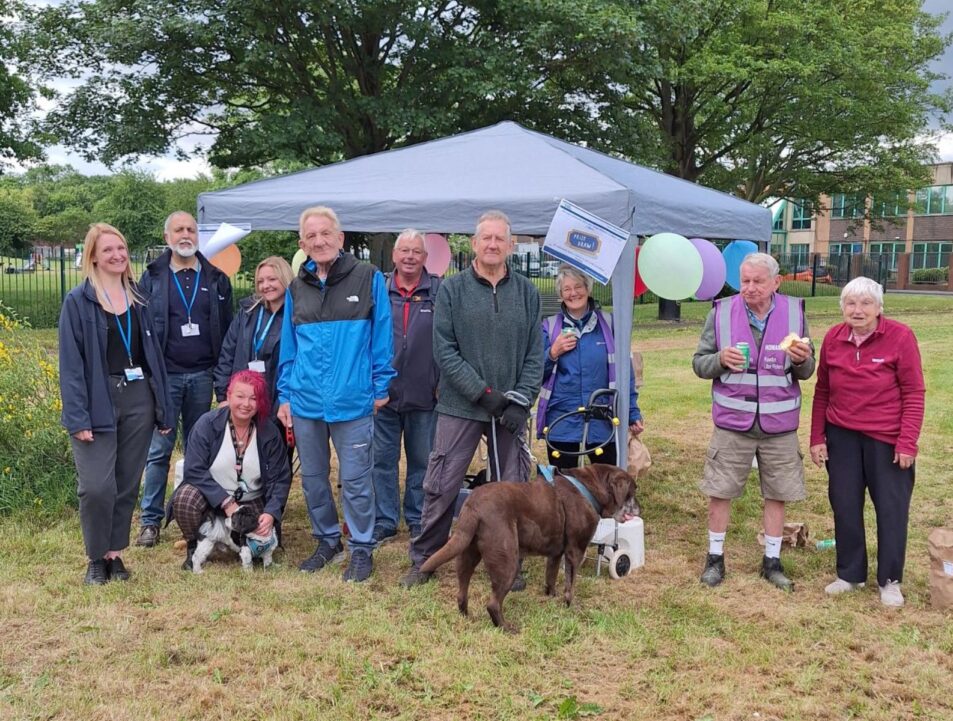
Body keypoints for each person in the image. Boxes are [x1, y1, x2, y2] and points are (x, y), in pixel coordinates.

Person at [401, 210, 543, 588]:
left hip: (511, 410)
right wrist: (483, 394)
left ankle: (510, 561)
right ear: (474, 244)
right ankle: (425, 559)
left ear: (511, 246)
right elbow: (445, 352)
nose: (493, 244)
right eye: (486, 238)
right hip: (460, 405)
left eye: (500, 239)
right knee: (441, 484)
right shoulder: (452, 290)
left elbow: (535, 353)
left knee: (513, 489)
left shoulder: (527, 293)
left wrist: (520, 401)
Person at [277, 206, 395, 583]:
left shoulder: (368, 278)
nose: (319, 241)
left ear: (340, 238)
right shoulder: (297, 288)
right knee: (312, 477)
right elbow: (289, 347)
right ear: (302, 244)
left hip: (353, 400)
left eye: (325, 233)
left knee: (358, 480)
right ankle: (327, 540)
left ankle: (361, 547)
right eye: (311, 236)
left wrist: (380, 387)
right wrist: (285, 395)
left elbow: (382, 337)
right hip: (306, 400)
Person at [692, 252, 814, 591]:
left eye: (758, 281)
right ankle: (714, 559)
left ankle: (772, 562)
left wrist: (803, 361)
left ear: (776, 282)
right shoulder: (720, 312)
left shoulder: (794, 312)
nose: (749, 288)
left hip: (780, 426)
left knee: (777, 493)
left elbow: (807, 369)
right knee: (720, 490)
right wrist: (719, 360)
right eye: (745, 280)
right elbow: (699, 363)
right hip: (733, 421)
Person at [58, 223, 172, 585]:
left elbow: (153, 356)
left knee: (125, 482)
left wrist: (163, 408)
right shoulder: (79, 302)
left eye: (121, 248)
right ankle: (95, 556)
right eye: (108, 250)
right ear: (93, 256)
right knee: (96, 486)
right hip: (98, 399)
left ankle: (114, 554)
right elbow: (71, 366)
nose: (118, 255)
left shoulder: (139, 298)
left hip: (138, 398)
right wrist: (78, 417)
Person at [810, 277, 924, 607]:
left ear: (878, 308)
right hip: (842, 435)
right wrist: (818, 437)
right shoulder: (833, 337)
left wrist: (907, 442)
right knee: (844, 504)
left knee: (891, 509)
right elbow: (822, 392)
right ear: (842, 307)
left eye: (865, 303)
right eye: (850, 303)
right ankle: (850, 574)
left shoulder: (900, 337)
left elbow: (914, 392)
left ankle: (890, 580)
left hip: (886, 438)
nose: (857, 310)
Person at [135, 211, 233, 547]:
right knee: (158, 450)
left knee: (199, 452)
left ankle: (194, 514)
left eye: (191, 229)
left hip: (204, 375)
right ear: (167, 237)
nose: (186, 234)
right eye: (179, 229)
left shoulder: (217, 278)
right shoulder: (151, 278)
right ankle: (150, 521)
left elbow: (228, 332)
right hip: (165, 379)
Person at [171, 370, 292, 570]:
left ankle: (243, 547)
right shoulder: (207, 425)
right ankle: (195, 545)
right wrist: (226, 502)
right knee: (185, 499)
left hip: (251, 501)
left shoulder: (269, 431)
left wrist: (270, 513)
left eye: (253, 398)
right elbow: (193, 470)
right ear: (228, 396)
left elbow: (281, 478)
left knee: (266, 536)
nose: (246, 404)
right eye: (240, 396)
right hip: (212, 500)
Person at [370, 229, 440, 545]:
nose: (410, 257)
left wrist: (442, 381)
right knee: (382, 461)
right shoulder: (378, 290)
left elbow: (450, 340)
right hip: (383, 396)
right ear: (395, 255)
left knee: (421, 462)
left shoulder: (439, 291)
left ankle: (415, 518)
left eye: (416, 252)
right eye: (404, 251)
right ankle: (385, 520)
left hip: (426, 395)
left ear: (425, 258)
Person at [538, 264, 644, 469]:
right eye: (567, 289)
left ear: (588, 289)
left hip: (602, 419)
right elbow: (535, 374)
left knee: (607, 485)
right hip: (562, 418)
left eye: (578, 286)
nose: (573, 293)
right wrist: (553, 352)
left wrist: (632, 412)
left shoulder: (610, 323)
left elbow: (626, 373)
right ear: (560, 294)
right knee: (564, 485)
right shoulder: (549, 327)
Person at [213, 256, 292, 414]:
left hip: (279, 402)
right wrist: (223, 396)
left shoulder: (296, 316)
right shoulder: (248, 312)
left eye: (272, 279)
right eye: (260, 281)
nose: (266, 285)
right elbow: (227, 353)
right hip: (244, 400)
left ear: (285, 278)